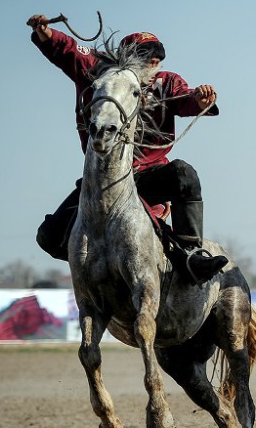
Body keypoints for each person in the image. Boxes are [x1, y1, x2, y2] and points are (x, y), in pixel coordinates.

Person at [26, 14, 227, 284]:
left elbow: (187, 99)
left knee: (183, 173)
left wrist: (200, 99)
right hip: (102, 180)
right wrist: (45, 34)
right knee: (49, 237)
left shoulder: (165, 82)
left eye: (157, 61)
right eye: (148, 60)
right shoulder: (97, 71)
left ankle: (189, 255)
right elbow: (69, 50)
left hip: (148, 178)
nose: (154, 66)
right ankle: (97, 263)